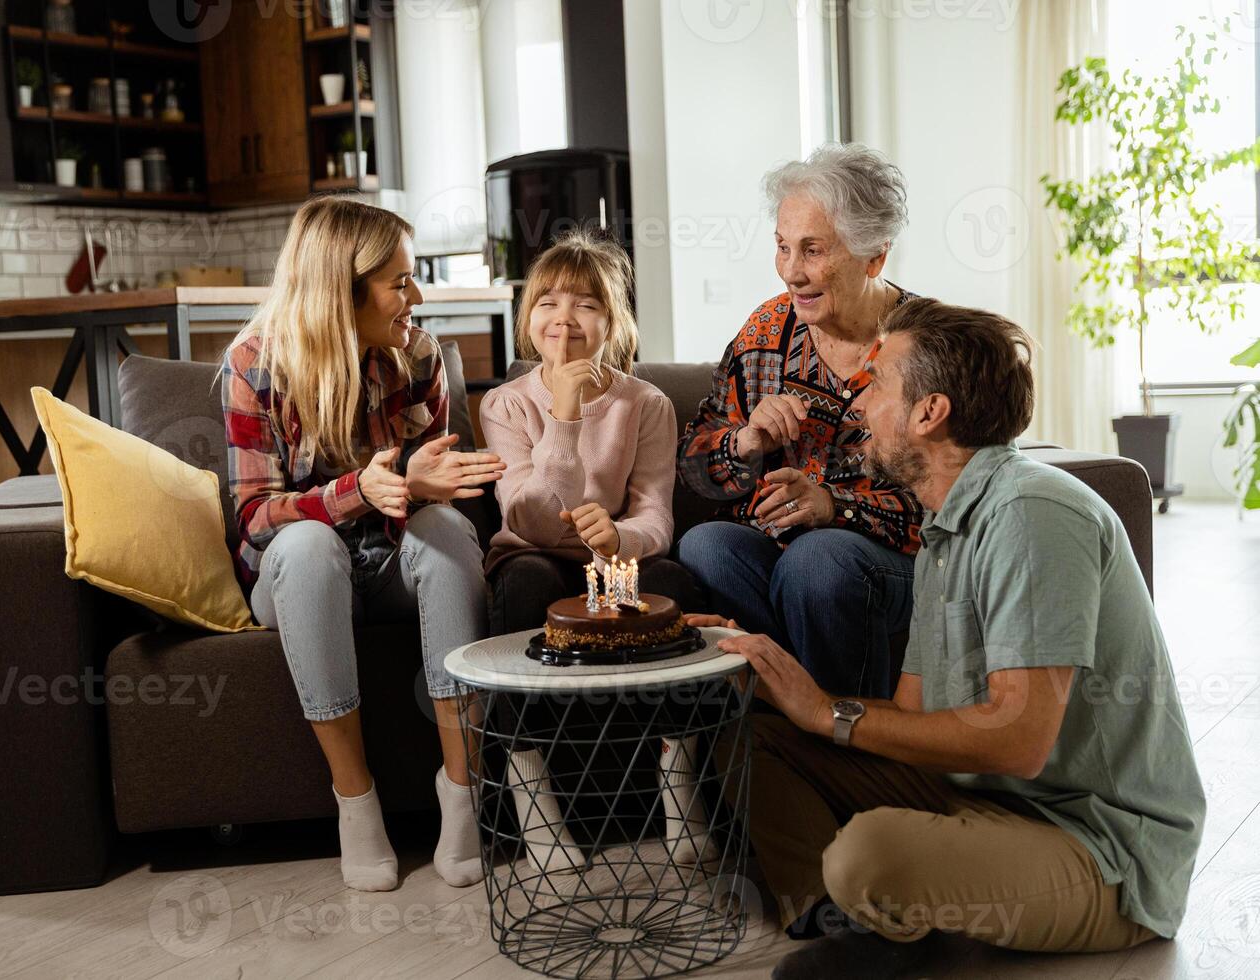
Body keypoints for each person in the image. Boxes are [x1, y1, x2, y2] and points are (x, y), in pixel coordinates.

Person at [707, 298, 1204, 978]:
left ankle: (881, 901)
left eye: (877, 380)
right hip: (987, 803)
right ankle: (853, 919)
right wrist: (788, 689)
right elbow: (913, 718)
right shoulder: (944, 528)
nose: (857, 394)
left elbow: (1018, 741)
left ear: (928, 412)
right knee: (752, 735)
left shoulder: (1031, 512)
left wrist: (829, 713)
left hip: (1102, 852)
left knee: (866, 853)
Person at [221, 196, 507, 892]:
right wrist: (356, 491)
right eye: (398, 282)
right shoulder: (254, 361)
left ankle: (461, 794)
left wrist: (418, 482)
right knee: (308, 547)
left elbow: (429, 480)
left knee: (447, 531)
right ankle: (356, 803)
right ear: (340, 289)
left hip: (392, 558)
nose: (415, 296)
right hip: (296, 574)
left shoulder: (417, 354)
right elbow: (256, 517)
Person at [480, 228, 712, 870]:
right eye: (548, 300)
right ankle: (534, 809)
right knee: (526, 579)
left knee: (673, 579)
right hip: (533, 554)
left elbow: (654, 515)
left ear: (613, 320)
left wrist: (621, 540)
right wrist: (563, 414)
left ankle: (678, 784)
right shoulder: (505, 403)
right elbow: (526, 515)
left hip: (615, 560)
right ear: (529, 317)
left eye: (586, 303)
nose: (564, 318)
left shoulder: (647, 404)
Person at [677, 142, 923, 699]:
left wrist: (835, 507)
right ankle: (789, 706)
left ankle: (846, 736)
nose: (792, 271)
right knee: (707, 545)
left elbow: (956, 502)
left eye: (813, 251)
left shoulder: (924, 345)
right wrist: (744, 441)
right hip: (784, 558)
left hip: (891, 563)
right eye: (783, 247)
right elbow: (693, 466)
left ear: (874, 257)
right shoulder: (765, 331)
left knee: (819, 557)